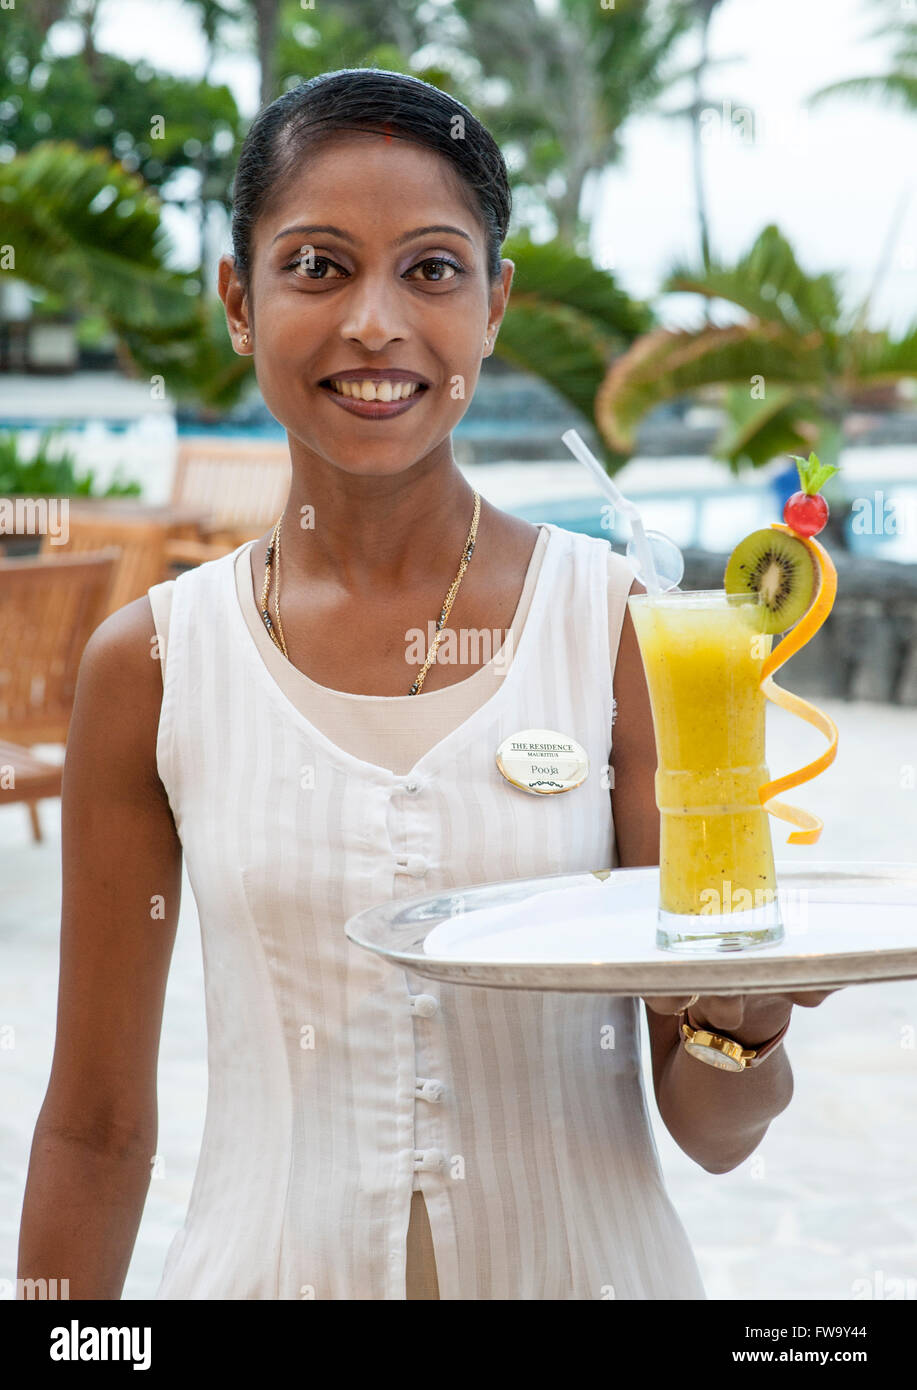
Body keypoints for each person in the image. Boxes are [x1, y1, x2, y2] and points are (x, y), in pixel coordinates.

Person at [17, 68, 834, 1301]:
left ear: (494, 305)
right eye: (317, 265)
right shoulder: (152, 664)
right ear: (239, 300)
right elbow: (93, 1126)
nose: (376, 324)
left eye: (433, 269)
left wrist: (744, 1017)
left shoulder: (622, 629)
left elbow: (715, 1130)